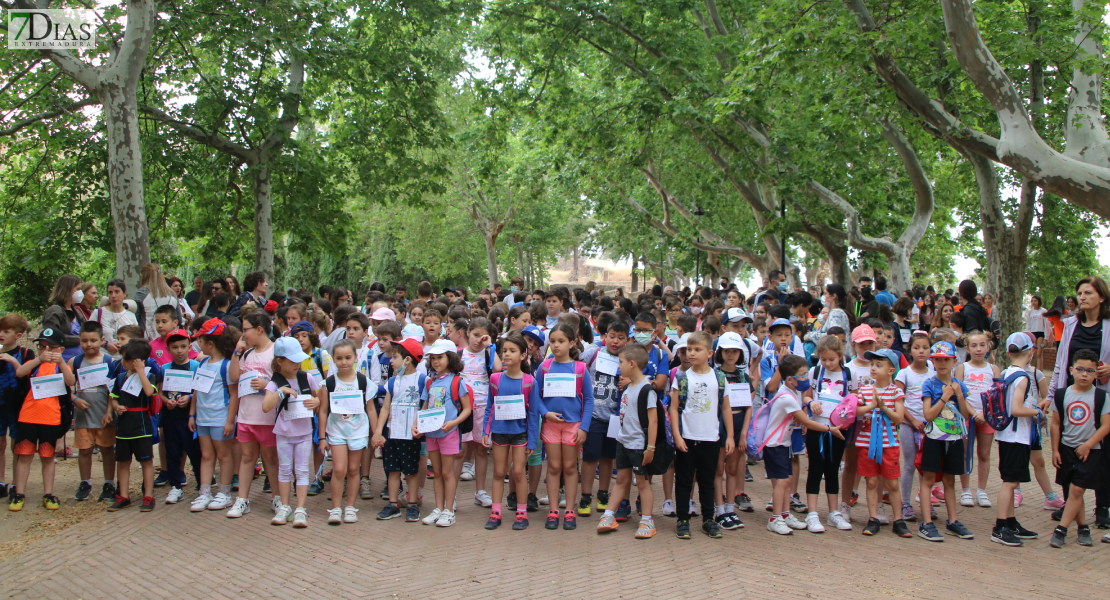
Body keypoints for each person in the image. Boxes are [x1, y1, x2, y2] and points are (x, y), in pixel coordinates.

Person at [1048, 276, 1110, 528]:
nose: (1081, 297)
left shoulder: (1108, 325)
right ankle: (1070, 504)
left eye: (1088, 293)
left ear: (1101, 297)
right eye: (1079, 293)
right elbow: (1061, 363)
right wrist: (1052, 395)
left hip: (1100, 397)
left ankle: (1102, 506)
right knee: (1068, 448)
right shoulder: (1070, 323)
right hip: (1071, 396)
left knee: (1102, 452)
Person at [669, 331, 734, 540]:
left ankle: (708, 519)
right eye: (689, 349)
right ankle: (683, 519)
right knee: (684, 480)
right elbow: (673, 408)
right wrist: (677, 436)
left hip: (711, 438)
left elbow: (725, 408)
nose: (691, 354)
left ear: (710, 353)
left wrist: (730, 436)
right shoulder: (681, 377)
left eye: (697, 350)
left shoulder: (719, 377)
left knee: (707, 480)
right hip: (687, 438)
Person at [530, 323, 594, 531]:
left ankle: (570, 511)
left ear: (572, 342)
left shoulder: (580, 368)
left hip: (573, 426)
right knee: (554, 467)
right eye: (553, 341)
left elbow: (589, 400)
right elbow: (535, 395)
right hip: (550, 425)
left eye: (561, 341)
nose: (556, 346)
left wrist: (584, 427)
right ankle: (553, 510)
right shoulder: (544, 367)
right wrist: (545, 413)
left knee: (569, 467)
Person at [597, 344, 660, 539]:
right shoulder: (627, 388)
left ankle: (647, 520)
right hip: (623, 442)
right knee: (621, 480)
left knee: (642, 483)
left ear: (632, 364)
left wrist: (650, 447)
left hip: (639, 445)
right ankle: (609, 515)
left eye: (621, 362)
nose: (618, 366)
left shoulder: (647, 390)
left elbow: (653, 420)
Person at [1048, 349, 1110, 547]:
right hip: (1067, 448)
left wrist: (1088, 445)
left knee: (1076, 490)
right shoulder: (1062, 394)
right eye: (1081, 369)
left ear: (1096, 374)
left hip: (1091, 451)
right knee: (1074, 489)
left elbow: (1106, 425)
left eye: (1090, 371)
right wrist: (1055, 450)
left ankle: (1061, 530)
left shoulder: (1102, 396)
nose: (1085, 374)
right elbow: (1056, 423)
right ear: (1072, 370)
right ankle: (1083, 527)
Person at [9, 328, 74, 512]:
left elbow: (70, 381)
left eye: (50, 347)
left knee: (47, 457)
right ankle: (19, 493)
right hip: (28, 416)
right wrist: (39, 359)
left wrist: (60, 361)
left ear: (60, 349)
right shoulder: (34, 363)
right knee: (24, 456)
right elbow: (20, 372)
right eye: (41, 346)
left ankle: (48, 493)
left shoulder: (61, 365)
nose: (45, 351)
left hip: (51, 418)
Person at [915, 341, 974, 542]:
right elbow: (928, 415)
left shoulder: (961, 385)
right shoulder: (929, 384)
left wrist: (958, 394)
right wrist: (945, 397)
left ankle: (953, 520)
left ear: (954, 361)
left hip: (955, 438)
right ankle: (927, 523)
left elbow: (965, 415)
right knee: (928, 479)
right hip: (934, 438)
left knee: (950, 480)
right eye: (938, 360)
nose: (942, 364)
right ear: (932, 362)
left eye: (946, 360)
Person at [261, 337, 321, 527]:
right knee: (285, 470)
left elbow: (319, 399)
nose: (297, 364)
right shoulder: (276, 381)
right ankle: (285, 506)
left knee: (302, 470)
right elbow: (265, 406)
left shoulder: (307, 377)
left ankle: (300, 509)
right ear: (280, 361)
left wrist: (316, 403)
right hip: (284, 434)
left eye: (298, 360)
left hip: (304, 433)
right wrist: (281, 392)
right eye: (292, 361)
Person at [226, 311, 279, 518]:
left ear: (259, 329)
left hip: (267, 417)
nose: (243, 334)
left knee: (270, 459)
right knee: (247, 457)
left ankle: (277, 498)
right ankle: (242, 500)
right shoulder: (246, 354)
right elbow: (233, 378)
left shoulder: (276, 351)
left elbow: (286, 379)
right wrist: (236, 353)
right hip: (246, 415)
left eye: (246, 329)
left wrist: (267, 384)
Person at [854, 348, 911, 538]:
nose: (873, 368)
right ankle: (873, 518)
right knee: (871, 481)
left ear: (890, 370)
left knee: (892, 484)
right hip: (867, 443)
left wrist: (884, 407)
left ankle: (899, 520)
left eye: (879, 365)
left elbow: (899, 418)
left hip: (889, 445)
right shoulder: (865, 390)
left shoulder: (896, 392)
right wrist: (871, 406)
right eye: (872, 364)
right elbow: (856, 412)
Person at [991, 333, 1042, 546]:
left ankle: (1010, 522)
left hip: (1007, 435)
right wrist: (1037, 412)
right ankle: (1000, 526)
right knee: (1010, 482)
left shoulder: (1006, 372)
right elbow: (1016, 409)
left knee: (1011, 480)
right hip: (1016, 435)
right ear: (1030, 351)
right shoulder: (1022, 377)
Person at [481, 333, 535, 531]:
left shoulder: (529, 381)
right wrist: (485, 431)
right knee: (498, 471)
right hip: (499, 431)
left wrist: (532, 441)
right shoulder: (495, 379)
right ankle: (496, 512)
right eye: (504, 351)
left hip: (520, 432)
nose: (507, 355)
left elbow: (533, 412)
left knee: (519, 472)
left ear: (523, 355)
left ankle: (522, 512)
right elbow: (490, 407)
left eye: (512, 351)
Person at [415, 340, 472, 528]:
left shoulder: (457, 381)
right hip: (431, 433)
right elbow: (424, 406)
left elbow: (467, 409)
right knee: (437, 472)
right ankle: (438, 508)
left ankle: (449, 510)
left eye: (440, 357)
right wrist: (417, 425)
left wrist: (454, 423)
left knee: (448, 472)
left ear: (450, 358)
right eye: (433, 358)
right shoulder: (429, 381)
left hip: (449, 433)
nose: (436, 361)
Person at [580, 315, 629, 518]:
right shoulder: (593, 354)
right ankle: (585, 497)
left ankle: (603, 494)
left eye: (621, 337)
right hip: (593, 416)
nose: (616, 341)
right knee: (590, 458)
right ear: (605, 336)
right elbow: (574, 366)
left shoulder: (627, 360)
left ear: (627, 340)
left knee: (608, 458)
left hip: (615, 418)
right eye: (612, 336)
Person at [803, 335, 854, 532]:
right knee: (815, 468)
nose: (828, 363)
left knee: (833, 470)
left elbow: (853, 399)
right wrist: (810, 402)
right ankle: (813, 513)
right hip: (817, 427)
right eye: (824, 359)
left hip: (838, 430)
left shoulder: (848, 375)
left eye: (832, 359)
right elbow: (806, 394)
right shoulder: (814, 372)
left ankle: (834, 512)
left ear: (840, 356)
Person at [188, 318, 238, 513]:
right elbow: (196, 391)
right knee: (206, 455)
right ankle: (205, 492)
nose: (197, 343)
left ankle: (224, 493)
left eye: (200, 340)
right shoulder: (202, 364)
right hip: (203, 418)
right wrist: (192, 415)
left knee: (224, 455)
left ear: (210, 343)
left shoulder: (226, 366)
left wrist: (229, 421)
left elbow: (234, 395)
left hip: (220, 418)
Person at [373, 338, 426, 522]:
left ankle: (412, 504)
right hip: (393, 433)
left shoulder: (422, 380)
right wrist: (378, 431)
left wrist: (419, 425)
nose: (391, 361)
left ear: (407, 360)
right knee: (393, 470)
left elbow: (425, 406)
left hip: (411, 435)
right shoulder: (392, 382)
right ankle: (393, 504)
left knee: (411, 471)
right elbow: (385, 408)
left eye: (395, 357)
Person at [106, 338, 160, 513]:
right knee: (122, 461)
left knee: (146, 461)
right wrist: (116, 407)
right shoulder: (121, 377)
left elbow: (149, 391)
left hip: (141, 424)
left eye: (126, 360)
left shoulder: (149, 375)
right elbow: (114, 397)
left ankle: (148, 495)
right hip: (123, 426)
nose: (122, 363)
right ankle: (123, 495)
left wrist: (141, 371)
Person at [69, 321, 117, 503]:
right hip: (83, 415)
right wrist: (74, 399)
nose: (89, 344)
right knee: (84, 450)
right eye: (84, 341)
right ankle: (85, 483)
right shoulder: (75, 362)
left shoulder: (109, 361)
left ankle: (109, 483)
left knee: (106, 449)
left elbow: (114, 390)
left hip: (104, 415)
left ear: (102, 340)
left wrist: (109, 412)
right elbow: (66, 387)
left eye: (93, 340)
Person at [954, 330, 1000, 507]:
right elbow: (959, 394)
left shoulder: (993, 369)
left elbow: (997, 395)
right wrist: (973, 413)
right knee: (965, 453)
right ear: (967, 348)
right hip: (966, 416)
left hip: (987, 417)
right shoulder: (962, 368)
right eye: (974, 345)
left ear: (988, 347)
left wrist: (985, 413)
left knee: (984, 454)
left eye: (982, 345)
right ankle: (965, 490)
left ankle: (982, 490)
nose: (978, 349)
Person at [459, 318, 501, 509]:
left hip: (483, 409)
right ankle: (452, 497)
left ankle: (480, 491)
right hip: (462, 408)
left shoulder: (488, 354)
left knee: (481, 450)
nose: (478, 340)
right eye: (475, 335)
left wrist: (489, 345)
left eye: (482, 337)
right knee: (460, 450)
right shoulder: (458, 355)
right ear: (467, 332)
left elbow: (498, 370)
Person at [714, 332, 754, 531]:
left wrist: (744, 432)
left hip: (739, 424)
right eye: (727, 351)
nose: (731, 355)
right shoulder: (714, 374)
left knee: (732, 469)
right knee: (718, 469)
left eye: (735, 351)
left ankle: (730, 508)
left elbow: (749, 406)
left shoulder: (744, 376)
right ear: (720, 352)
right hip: (719, 424)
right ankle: (719, 509)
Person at [893, 331, 934, 522]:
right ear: (910, 350)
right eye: (917, 347)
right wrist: (913, 421)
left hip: (931, 426)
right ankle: (906, 503)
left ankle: (927, 502)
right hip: (909, 426)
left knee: (928, 466)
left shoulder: (934, 372)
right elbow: (898, 400)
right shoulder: (904, 373)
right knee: (909, 465)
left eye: (925, 347)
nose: (921, 351)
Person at [0, 314, 34, 498]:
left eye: (6, 331)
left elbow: (29, 375)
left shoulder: (26, 354)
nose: (1, 334)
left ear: (18, 335)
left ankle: (15, 483)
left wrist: (13, 361)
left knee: (16, 446)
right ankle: (0, 482)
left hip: (18, 407)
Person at [42, 274, 86, 362]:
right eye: (77, 289)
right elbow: (51, 337)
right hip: (62, 362)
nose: (80, 292)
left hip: (79, 362)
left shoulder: (77, 311)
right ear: (67, 290)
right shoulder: (54, 311)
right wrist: (80, 340)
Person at [92, 279, 138, 360]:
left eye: (117, 292)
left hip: (124, 360)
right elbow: (89, 336)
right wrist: (105, 344)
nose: (113, 296)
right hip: (102, 359)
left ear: (124, 294)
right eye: (110, 292)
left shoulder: (131, 316)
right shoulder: (98, 313)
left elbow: (136, 340)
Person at [134, 263, 179, 340]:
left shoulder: (141, 293)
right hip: (169, 339)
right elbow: (178, 318)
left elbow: (135, 319)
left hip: (146, 340)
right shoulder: (172, 294)